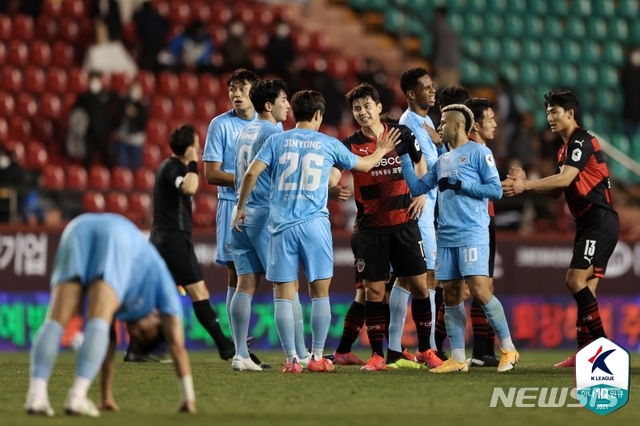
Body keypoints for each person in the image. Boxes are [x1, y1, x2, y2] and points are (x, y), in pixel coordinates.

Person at [233, 90, 401, 373]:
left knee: (284, 294)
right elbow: (364, 165)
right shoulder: (328, 143)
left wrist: (241, 207)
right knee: (319, 293)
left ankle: (291, 361)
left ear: (295, 112)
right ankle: (318, 357)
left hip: (281, 227)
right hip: (314, 226)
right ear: (319, 115)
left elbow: (250, 174)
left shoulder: (276, 140)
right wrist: (382, 150)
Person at [25, 213, 195, 417]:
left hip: (78, 227)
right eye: (145, 333)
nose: (136, 332)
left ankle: (37, 397)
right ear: (157, 319)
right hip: (118, 236)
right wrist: (188, 398)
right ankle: (76, 397)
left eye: (137, 337)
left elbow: (109, 343)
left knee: (56, 322)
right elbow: (177, 344)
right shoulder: (166, 289)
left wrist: (106, 397)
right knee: (84, 320)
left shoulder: (129, 308)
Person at [503, 89, 619, 368]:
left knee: (574, 280)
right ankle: (586, 353)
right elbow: (557, 191)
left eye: (555, 112)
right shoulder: (564, 148)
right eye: (548, 112)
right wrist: (527, 182)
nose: (550, 118)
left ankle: (605, 350)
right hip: (589, 222)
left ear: (570, 114)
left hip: (600, 220)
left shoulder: (582, 139)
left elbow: (565, 178)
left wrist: (526, 185)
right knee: (586, 289)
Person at [400, 103, 519, 373]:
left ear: (457, 125)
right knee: (451, 294)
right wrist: (406, 157)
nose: (438, 126)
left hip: (472, 232)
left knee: (479, 289)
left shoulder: (479, 152)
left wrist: (460, 185)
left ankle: (509, 349)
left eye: (442, 122)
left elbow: (495, 190)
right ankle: (457, 358)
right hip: (447, 235)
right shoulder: (442, 160)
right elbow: (418, 186)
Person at [342, 83, 433, 371]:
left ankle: (425, 350)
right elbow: (351, 171)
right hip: (370, 229)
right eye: (357, 108)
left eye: (367, 105)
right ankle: (378, 355)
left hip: (405, 224)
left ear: (379, 107)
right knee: (374, 292)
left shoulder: (402, 134)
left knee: (420, 285)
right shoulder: (351, 144)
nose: (362, 112)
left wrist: (419, 193)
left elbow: (422, 165)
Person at [229, 79, 307, 371]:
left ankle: (240, 354)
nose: (288, 105)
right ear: (268, 105)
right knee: (287, 285)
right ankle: (299, 353)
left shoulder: (244, 130)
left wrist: (239, 207)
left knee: (245, 284)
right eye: (284, 100)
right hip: (264, 216)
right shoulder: (275, 133)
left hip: (240, 216)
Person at [142, 124, 236, 362]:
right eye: (196, 145)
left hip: (164, 238)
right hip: (173, 240)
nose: (199, 149)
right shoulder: (174, 167)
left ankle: (137, 348)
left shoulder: (168, 166)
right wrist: (193, 163)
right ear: (188, 148)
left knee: (160, 298)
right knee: (198, 290)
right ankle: (225, 346)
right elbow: (190, 186)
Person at [203, 69, 259, 336]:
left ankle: (292, 350)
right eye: (232, 89)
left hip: (264, 207)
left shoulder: (269, 123)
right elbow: (211, 174)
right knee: (236, 274)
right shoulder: (220, 125)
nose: (236, 94)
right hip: (231, 204)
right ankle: (240, 342)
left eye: (242, 88)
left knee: (273, 275)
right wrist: (248, 179)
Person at [397, 67, 447, 368]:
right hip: (420, 205)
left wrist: (440, 143)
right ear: (411, 93)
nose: (432, 91)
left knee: (410, 278)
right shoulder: (408, 124)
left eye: (433, 86)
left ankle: (396, 348)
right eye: (426, 87)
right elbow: (413, 165)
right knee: (422, 276)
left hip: (429, 205)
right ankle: (425, 348)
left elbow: (436, 162)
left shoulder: (427, 122)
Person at [464, 97, 500, 367]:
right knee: (475, 288)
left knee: (485, 286)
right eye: (490, 119)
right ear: (475, 124)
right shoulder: (474, 151)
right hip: (477, 223)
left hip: (485, 220)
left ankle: (484, 350)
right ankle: (480, 350)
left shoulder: (477, 150)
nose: (495, 124)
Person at [116, 81, 148, 171]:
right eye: (132, 89)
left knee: (136, 167)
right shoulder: (124, 102)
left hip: (135, 140)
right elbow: (117, 117)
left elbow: (144, 120)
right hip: (122, 138)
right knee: (122, 167)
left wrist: (135, 114)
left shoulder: (143, 104)